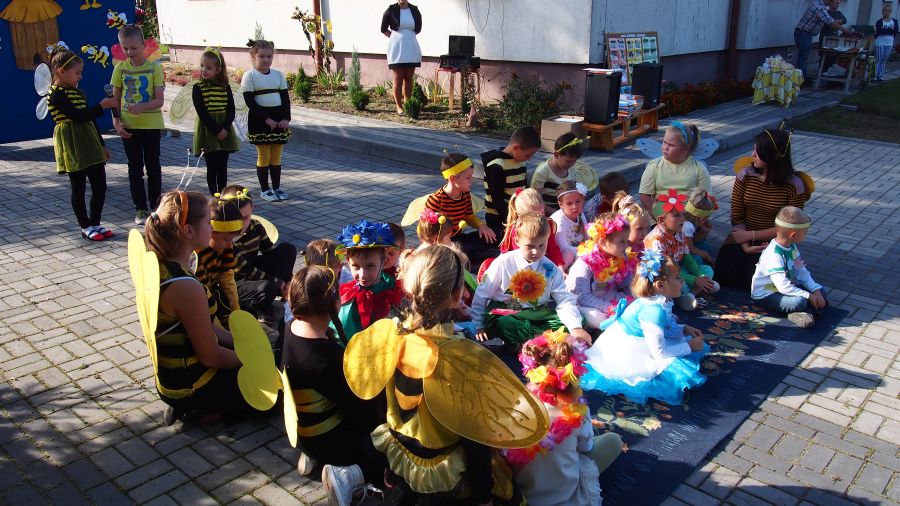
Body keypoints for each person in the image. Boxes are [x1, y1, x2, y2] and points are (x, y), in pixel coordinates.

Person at [328, 245, 547, 506]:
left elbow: (380, 403)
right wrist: (483, 495)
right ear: (457, 296)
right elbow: (475, 437)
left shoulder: (387, 334)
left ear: (409, 286)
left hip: (399, 451)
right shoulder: (464, 358)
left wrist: (389, 461)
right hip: (442, 471)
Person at [144, 190, 253, 423]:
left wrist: (248, 344)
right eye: (207, 222)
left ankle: (191, 406)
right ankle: (198, 410)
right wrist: (251, 360)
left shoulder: (164, 264)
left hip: (172, 379)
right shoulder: (185, 286)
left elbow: (208, 329)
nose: (212, 228)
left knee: (265, 361)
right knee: (270, 396)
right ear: (188, 231)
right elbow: (211, 356)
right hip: (191, 383)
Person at [282, 265, 387, 478]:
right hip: (329, 441)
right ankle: (346, 476)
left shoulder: (290, 326)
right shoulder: (324, 355)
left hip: (302, 433)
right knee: (389, 459)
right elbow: (361, 410)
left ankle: (314, 455)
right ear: (335, 303)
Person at [509, 329, 624, 506]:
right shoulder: (577, 411)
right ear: (574, 375)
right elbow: (586, 448)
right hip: (565, 497)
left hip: (524, 495)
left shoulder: (518, 404)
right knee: (613, 441)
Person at [581, 250, 709, 406]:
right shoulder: (652, 311)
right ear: (660, 285)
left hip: (645, 339)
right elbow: (660, 353)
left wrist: (683, 329)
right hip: (628, 350)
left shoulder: (660, 300)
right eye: (677, 278)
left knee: (681, 345)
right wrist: (688, 347)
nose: (682, 282)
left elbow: (665, 327)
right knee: (668, 367)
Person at [473, 212, 591, 348]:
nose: (536, 252)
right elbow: (482, 293)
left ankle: (535, 342)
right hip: (507, 310)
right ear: (517, 241)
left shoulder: (550, 268)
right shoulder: (503, 262)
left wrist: (575, 327)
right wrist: (478, 325)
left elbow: (563, 299)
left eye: (542, 246)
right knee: (505, 324)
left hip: (537, 312)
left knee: (578, 320)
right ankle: (545, 342)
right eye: (530, 246)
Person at [714, 129, 811, 289]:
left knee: (753, 281)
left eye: (758, 152)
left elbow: (789, 227)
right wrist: (744, 241)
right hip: (741, 236)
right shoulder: (745, 175)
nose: (752, 154)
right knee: (725, 274)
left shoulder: (794, 186)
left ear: (772, 155)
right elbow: (737, 213)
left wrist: (753, 235)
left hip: (774, 243)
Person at [46, 49, 117, 241]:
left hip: (89, 139)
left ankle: (96, 223)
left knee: (100, 185)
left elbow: (90, 121)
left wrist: (101, 144)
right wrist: (102, 106)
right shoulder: (55, 94)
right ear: (61, 71)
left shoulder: (77, 92)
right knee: (78, 187)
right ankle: (85, 227)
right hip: (72, 143)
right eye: (77, 73)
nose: (80, 76)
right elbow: (78, 117)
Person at [111, 25, 165, 225]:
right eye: (125, 48)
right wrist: (116, 121)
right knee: (134, 168)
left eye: (134, 48)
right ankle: (141, 209)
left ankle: (157, 206)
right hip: (129, 126)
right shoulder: (120, 68)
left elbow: (159, 101)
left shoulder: (155, 68)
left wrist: (142, 107)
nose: (129, 52)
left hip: (150, 125)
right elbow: (114, 99)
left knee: (153, 167)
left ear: (143, 45)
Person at [220, 185, 298, 323]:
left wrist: (289, 280)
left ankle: (284, 291)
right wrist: (277, 282)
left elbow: (271, 253)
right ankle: (260, 308)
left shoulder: (255, 226)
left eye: (245, 217)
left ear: (252, 209)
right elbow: (246, 270)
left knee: (287, 249)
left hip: (253, 270)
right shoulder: (225, 237)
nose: (241, 223)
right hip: (234, 281)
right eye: (236, 218)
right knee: (266, 288)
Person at [750, 206, 827, 328]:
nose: (806, 235)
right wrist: (809, 296)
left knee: (821, 291)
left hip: (785, 290)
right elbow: (783, 287)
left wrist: (816, 292)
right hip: (766, 295)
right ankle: (803, 313)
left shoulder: (791, 247)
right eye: (805, 233)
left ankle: (807, 313)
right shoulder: (774, 254)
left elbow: (801, 272)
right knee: (799, 302)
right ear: (793, 235)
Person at [644, 188, 719, 311]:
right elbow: (665, 272)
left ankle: (689, 293)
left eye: (682, 214)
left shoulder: (679, 232)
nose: (682, 219)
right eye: (676, 215)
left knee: (707, 270)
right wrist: (695, 280)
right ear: (662, 220)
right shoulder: (656, 240)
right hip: (664, 275)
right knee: (675, 282)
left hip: (677, 271)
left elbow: (687, 258)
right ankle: (686, 294)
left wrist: (700, 276)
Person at [566, 213, 638, 329]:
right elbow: (582, 297)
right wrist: (609, 308)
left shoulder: (619, 257)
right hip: (586, 305)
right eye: (621, 241)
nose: (626, 245)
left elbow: (626, 285)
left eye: (626, 240)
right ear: (603, 243)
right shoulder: (585, 263)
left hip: (609, 297)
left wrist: (636, 298)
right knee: (599, 318)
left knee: (637, 304)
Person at [336, 220, 405, 340]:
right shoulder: (349, 298)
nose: (362, 275)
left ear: (383, 262)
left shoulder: (391, 287)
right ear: (348, 262)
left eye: (370, 266)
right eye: (356, 266)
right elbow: (343, 336)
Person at [424, 152, 497, 266]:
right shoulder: (436, 200)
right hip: (444, 243)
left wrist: (482, 226)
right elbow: (425, 230)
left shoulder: (465, 194)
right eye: (468, 177)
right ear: (452, 178)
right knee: (464, 250)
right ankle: (485, 257)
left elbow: (468, 217)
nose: (471, 180)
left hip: (460, 239)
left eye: (471, 176)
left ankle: (487, 255)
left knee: (493, 234)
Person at [241, 39, 291, 202]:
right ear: (253, 57)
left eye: (269, 56)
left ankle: (276, 187)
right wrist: (266, 119)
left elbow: (285, 99)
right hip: (260, 121)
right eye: (261, 56)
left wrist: (286, 118)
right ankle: (265, 189)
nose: (266, 60)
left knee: (276, 156)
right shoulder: (249, 76)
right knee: (264, 156)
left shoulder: (278, 75)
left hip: (279, 121)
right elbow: (251, 103)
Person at [638, 121, 711, 217]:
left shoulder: (698, 168)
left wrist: (693, 219)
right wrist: (658, 217)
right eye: (664, 142)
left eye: (671, 145)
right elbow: (644, 195)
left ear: (686, 148)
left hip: (688, 220)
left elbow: (705, 197)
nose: (665, 148)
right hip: (660, 219)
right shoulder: (654, 166)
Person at [192, 48, 239, 195]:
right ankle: (214, 196)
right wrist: (216, 130)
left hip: (224, 129)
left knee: (222, 166)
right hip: (208, 130)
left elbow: (231, 110)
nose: (204, 70)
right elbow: (202, 112)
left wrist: (224, 129)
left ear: (218, 69)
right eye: (202, 66)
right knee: (211, 166)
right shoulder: (197, 88)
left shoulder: (225, 87)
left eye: (208, 67)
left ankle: (222, 195)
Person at [482, 126, 541, 239]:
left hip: (518, 213)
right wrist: (511, 219)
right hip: (499, 217)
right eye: (528, 155)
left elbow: (523, 186)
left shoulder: (519, 161)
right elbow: (496, 199)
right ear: (516, 147)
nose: (529, 159)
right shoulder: (496, 166)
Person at [193, 198, 243, 326]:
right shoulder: (197, 256)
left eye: (232, 239)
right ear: (210, 231)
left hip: (213, 293)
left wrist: (236, 310)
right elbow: (203, 296)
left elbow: (227, 278)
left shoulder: (226, 246)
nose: (229, 244)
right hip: (201, 301)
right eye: (226, 239)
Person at [494, 188, 565, 269]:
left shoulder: (547, 224)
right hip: (518, 266)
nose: (539, 219)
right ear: (520, 215)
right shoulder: (518, 229)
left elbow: (552, 248)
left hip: (540, 260)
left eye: (542, 213)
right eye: (533, 215)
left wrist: (560, 267)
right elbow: (523, 259)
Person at [380, 0, 422, 115]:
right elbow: (383, 29)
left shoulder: (414, 10)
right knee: (398, 79)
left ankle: (408, 103)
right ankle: (399, 106)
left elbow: (418, 28)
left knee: (408, 78)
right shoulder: (391, 10)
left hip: (411, 46)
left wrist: (407, 37)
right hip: (396, 47)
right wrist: (395, 37)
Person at [530, 133, 589, 213]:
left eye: (575, 161)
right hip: (547, 211)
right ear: (556, 155)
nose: (572, 164)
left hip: (566, 208)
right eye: (569, 161)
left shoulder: (572, 169)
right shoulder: (543, 172)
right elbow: (535, 199)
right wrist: (556, 213)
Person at [794, 0, 851, 80]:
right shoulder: (819, 8)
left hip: (805, 33)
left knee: (803, 57)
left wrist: (837, 22)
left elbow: (832, 20)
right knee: (803, 58)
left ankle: (802, 78)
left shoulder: (817, 4)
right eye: (832, 1)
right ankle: (801, 80)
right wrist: (843, 29)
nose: (830, 4)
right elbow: (830, 22)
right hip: (804, 33)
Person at [550, 181, 589, 269]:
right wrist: (587, 250)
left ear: (583, 200)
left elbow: (587, 237)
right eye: (569, 203)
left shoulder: (581, 214)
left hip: (581, 251)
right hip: (565, 257)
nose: (574, 206)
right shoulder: (559, 221)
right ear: (560, 204)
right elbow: (563, 247)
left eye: (577, 201)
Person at [683, 188, 717, 266]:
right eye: (707, 218)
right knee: (698, 259)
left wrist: (704, 231)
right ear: (701, 219)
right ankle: (700, 274)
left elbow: (693, 242)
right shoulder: (687, 226)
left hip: (685, 248)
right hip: (676, 254)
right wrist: (706, 256)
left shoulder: (691, 221)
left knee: (705, 245)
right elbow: (690, 249)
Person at [874, 3, 898, 83]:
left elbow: (895, 31)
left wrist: (886, 31)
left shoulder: (894, 21)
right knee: (878, 60)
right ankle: (875, 76)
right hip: (879, 43)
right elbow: (879, 31)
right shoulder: (879, 22)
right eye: (885, 11)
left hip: (889, 43)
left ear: (890, 12)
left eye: (888, 11)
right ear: (882, 12)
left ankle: (881, 76)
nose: (887, 12)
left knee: (883, 61)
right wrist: (889, 30)